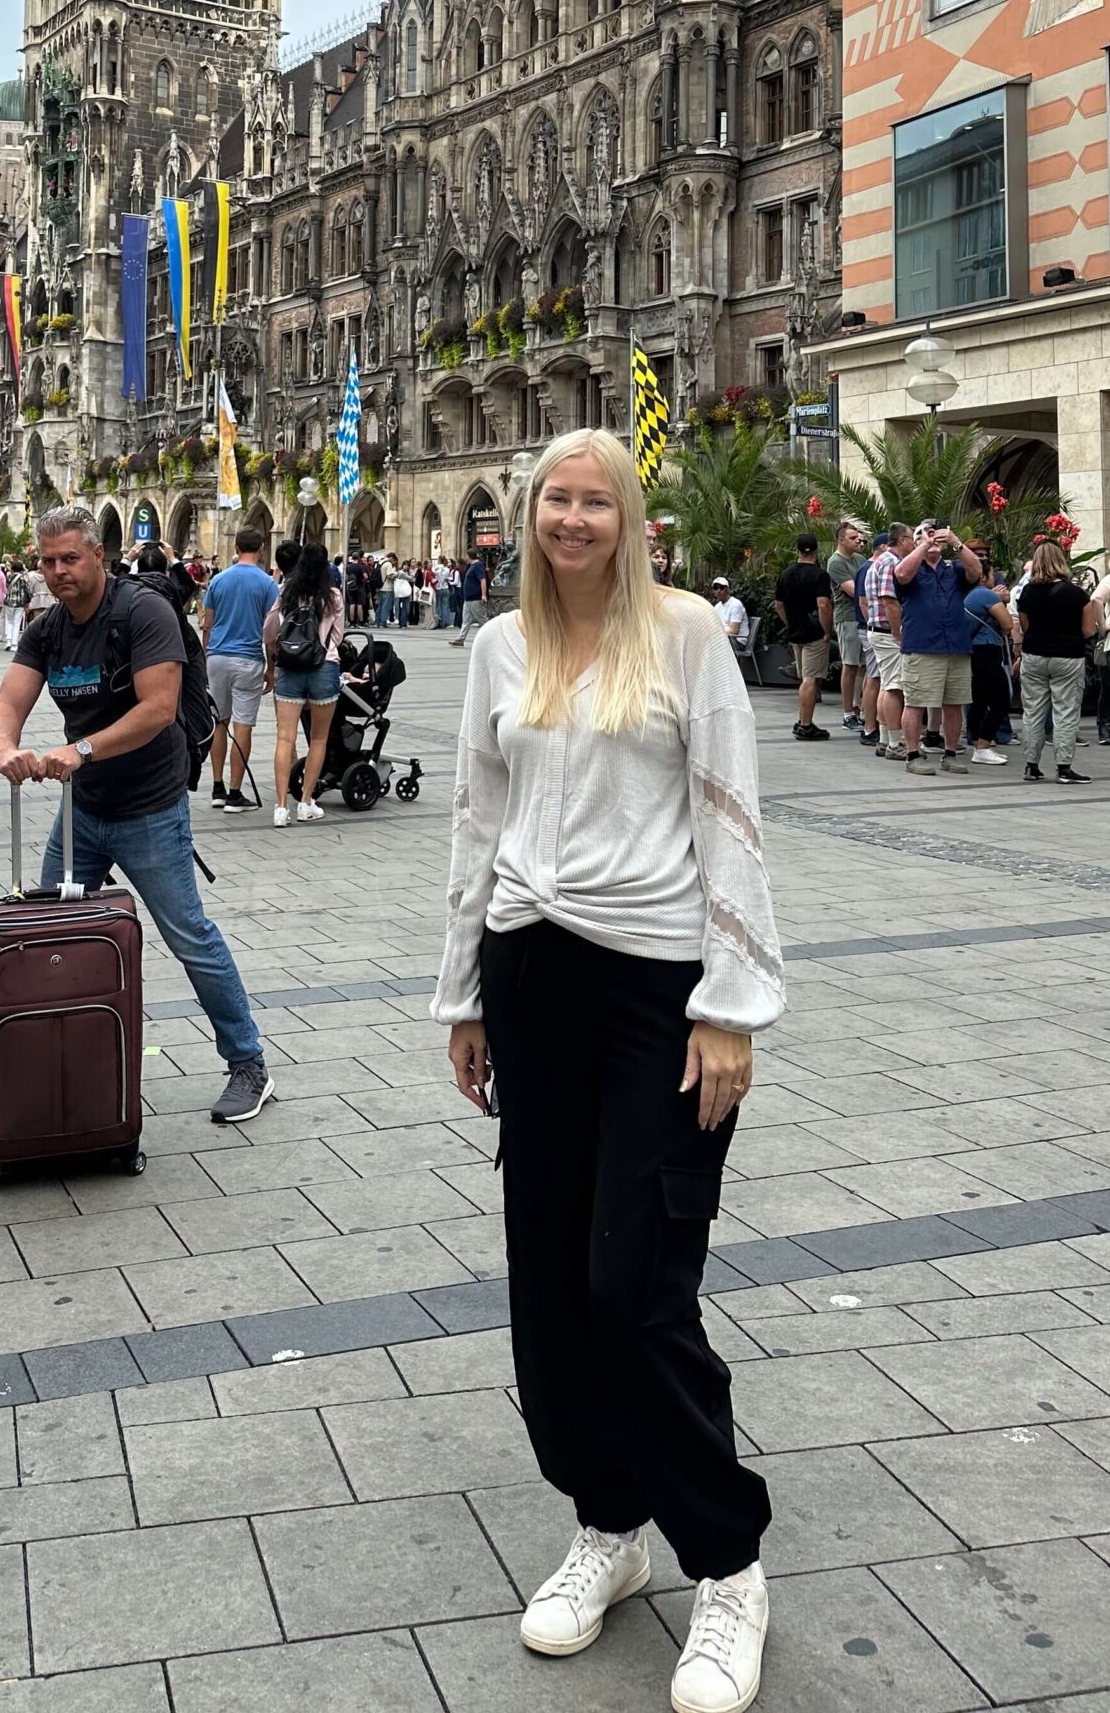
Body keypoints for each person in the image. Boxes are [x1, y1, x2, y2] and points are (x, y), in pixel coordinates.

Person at [435, 427, 783, 1711]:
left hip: (659, 991)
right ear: (527, 516)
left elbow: (729, 815)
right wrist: (463, 992)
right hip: (532, 980)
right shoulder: (497, 648)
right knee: (549, 1283)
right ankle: (607, 1521)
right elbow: (480, 818)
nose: (571, 519)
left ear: (630, 518)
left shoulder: (688, 634)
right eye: (553, 501)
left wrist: (732, 1006)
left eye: (595, 501)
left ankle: (729, 1564)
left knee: (633, 1281)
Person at [0, 504, 273, 1125]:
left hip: (148, 805)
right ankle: (61, 1053)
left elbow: (159, 709)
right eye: (47, 560)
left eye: (69, 558)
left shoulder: (142, 612)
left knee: (189, 936)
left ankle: (248, 1061)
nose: (58, 571)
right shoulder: (49, 628)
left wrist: (80, 748)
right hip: (81, 809)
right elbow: (8, 701)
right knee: (52, 935)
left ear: (99, 555)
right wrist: (8, 750)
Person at [264, 539, 344, 826]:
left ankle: (281, 807)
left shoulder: (287, 592)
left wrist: (280, 649)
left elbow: (269, 629)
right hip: (323, 666)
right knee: (319, 738)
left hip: (289, 667)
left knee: (285, 737)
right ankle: (306, 802)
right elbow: (337, 636)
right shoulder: (332, 596)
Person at [894, 520, 982, 774]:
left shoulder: (953, 569)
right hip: (922, 646)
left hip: (955, 645)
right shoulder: (912, 566)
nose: (932, 537)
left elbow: (976, 571)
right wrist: (923, 545)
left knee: (954, 703)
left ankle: (951, 753)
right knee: (916, 702)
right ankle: (912, 755)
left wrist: (956, 543)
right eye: (923, 533)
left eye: (936, 534)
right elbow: (901, 574)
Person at [202, 524, 278, 810]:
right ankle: (236, 793)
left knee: (219, 722)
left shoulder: (219, 581)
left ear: (235, 548)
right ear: (260, 549)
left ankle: (217, 787)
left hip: (217, 657)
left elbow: (207, 624)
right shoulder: (268, 584)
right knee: (243, 725)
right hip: (248, 658)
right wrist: (272, 668)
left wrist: (205, 657)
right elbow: (270, 633)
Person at [1018, 538, 1101, 783]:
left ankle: (1031, 766)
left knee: (1032, 711)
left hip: (1034, 655)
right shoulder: (1076, 594)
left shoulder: (1027, 592)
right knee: (1065, 711)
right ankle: (1064, 768)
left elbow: (1025, 627)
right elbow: (1087, 631)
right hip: (1067, 656)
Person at [771, 535, 834, 742]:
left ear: (798, 550)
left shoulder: (786, 574)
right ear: (815, 551)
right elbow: (823, 605)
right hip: (814, 633)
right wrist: (826, 630)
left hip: (796, 632)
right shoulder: (820, 576)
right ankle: (806, 725)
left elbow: (778, 605)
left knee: (803, 677)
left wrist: (790, 622)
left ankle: (802, 720)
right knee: (810, 679)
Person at [861, 524, 911, 758]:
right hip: (886, 632)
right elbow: (889, 601)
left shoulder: (877, 562)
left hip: (877, 629)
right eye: (911, 538)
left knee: (886, 684)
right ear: (902, 540)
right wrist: (898, 633)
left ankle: (883, 738)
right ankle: (894, 742)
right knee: (894, 687)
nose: (913, 543)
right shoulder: (891, 562)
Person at [964, 566, 1018, 768]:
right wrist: (1001, 603)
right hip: (987, 649)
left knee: (979, 700)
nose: (995, 578)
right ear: (983, 576)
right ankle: (984, 745)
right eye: (992, 574)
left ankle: (977, 741)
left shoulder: (971, 595)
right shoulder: (985, 594)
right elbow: (1008, 624)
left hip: (974, 650)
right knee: (1001, 700)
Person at [826, 521, 867, 732]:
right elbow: (854, 590)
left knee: (862, 665)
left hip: (862, 616)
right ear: (841, 539)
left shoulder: (860, 559)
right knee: (850, 665)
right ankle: (847, 713)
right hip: (847, 617)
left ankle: (859, 708)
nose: (858, 540)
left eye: (858, 537)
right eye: (853, 538)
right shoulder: (836, 562)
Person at [455, 550, 488, 647]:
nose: (465, 558)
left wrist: (483, 595)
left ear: (469, 556)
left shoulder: (477, 566)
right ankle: (461, 639)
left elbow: (482, 580)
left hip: (475, 598)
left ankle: (494, 636)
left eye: (466, 556)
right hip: (468, 599)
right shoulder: (471, 566)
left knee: (482, 620)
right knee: (466, 620)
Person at [709, 575, 749, 651]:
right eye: (716, 588)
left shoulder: (736, 604)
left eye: (721, 587)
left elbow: (733, 631)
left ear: (728, 590)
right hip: (724, 639)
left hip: (737, 641)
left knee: (710, 647)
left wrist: (716, 632)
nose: (718, 590)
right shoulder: (717, 607)